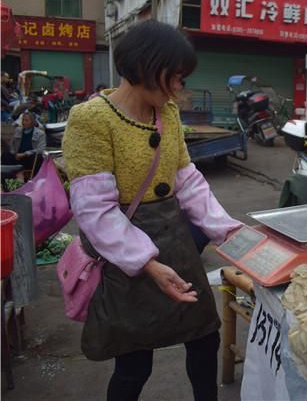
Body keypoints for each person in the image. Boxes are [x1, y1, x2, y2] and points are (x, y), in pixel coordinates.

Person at [62, 20, 243, 401]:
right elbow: (94, 210)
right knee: (134, 360)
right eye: (175, 77)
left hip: (174, 239)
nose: (180, 87)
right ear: (147, 67)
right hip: (124, 250)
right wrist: (146, 262)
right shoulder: (91, 119)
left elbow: (187, 180)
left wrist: (228, 232)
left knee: (203, 337)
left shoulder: (169, 112)